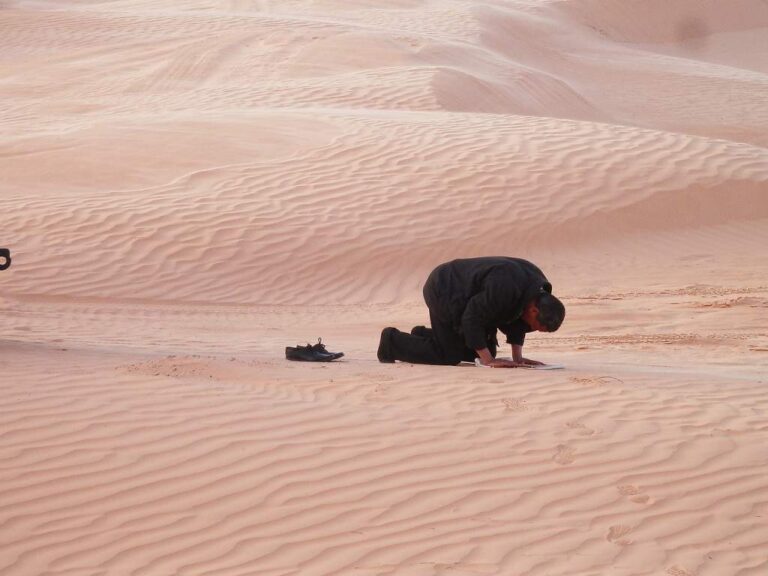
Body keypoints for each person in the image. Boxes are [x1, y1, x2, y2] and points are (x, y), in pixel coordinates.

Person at [377, 256, 565, 367]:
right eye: (537, 327)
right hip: (445, 288)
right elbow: (471, 317)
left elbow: (517, 321)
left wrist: (519, 359)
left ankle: (423, 335)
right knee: (449, 355)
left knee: (484, 350)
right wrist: (489, 362)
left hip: (467, 294)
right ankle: (391, 342)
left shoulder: (534, 289)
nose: (533, 329)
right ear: (534, 310)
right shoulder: (505, 289)